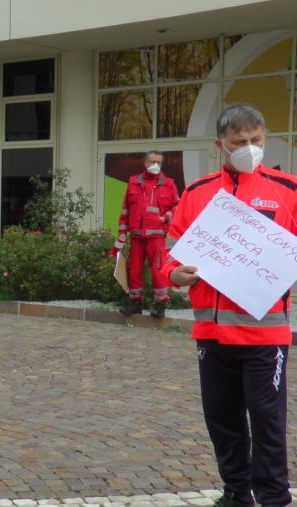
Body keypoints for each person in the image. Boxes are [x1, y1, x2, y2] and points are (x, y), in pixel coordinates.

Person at [162, 104, 292, 507]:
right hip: (211, 331)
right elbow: (171, 248)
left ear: (266, 138)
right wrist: (172, 274)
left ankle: (273, 497)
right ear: (221, 145)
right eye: (239, 143)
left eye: (256, 140)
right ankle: (237, 490)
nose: (249, 148)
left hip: (265, 332)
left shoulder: (287, 190)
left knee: (267, 420)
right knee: (221, 418)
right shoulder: (198, 192)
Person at [112, 151, 179, 318]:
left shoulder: (169, 184)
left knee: (158, 270)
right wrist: (121, 234)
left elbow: (177, 208)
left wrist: (166, 218)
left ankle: (160, 304)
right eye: (152, 161)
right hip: (136, 236)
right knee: (134, 270)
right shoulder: (134, 182)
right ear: (145, 163)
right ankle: (135, 303)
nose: (155, 164)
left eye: (158, 162)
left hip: (156, 237)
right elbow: (126, 209)